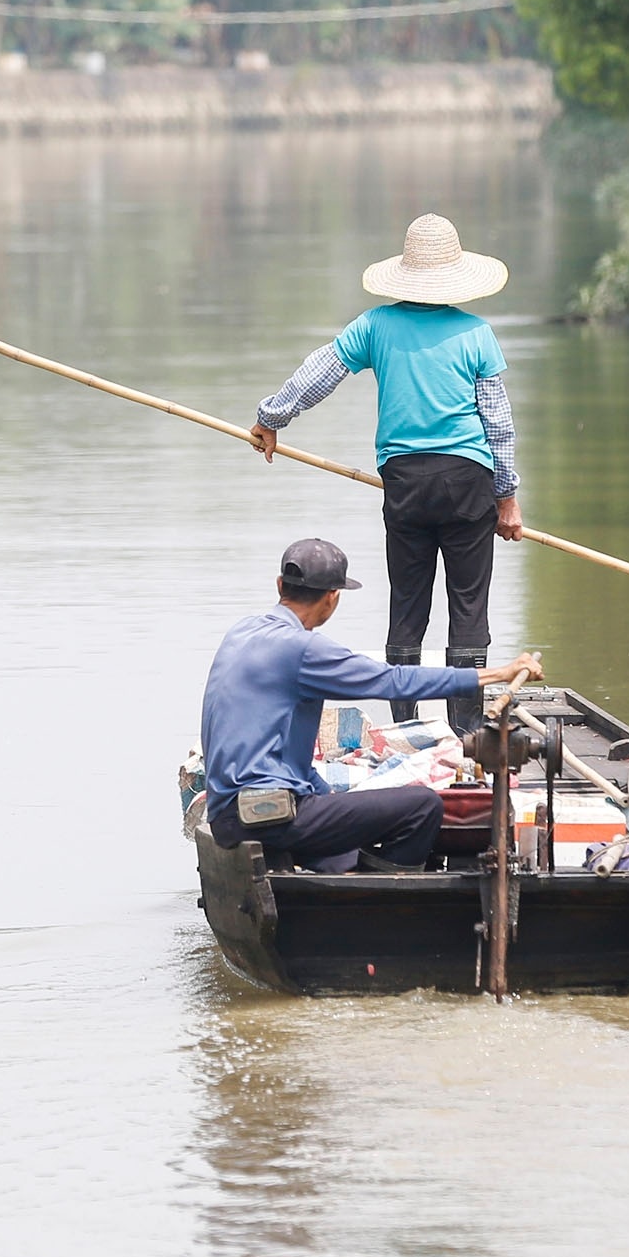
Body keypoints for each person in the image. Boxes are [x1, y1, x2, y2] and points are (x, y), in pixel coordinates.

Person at [248, 214, 522, 716]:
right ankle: (466, 730)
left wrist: (272, 418)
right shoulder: (477, 334)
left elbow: (319, 372)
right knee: (468, 604)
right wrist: (506, 499)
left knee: (408, 602)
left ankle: (405, 724)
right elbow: (498, 425)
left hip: (405, 483)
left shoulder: (374, 325)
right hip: (468, 482)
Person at [202, 536, 542, 873]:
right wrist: (498, 673)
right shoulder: (302, 649)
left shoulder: (241, 633)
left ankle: (349, 877)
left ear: (280, 585)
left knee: (348, 853)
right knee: (422, 806)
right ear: (333, 597)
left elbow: (293, 764)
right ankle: (382, 894)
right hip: (270, 816)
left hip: (229, 818)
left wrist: (330, 798)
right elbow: (394, 681)